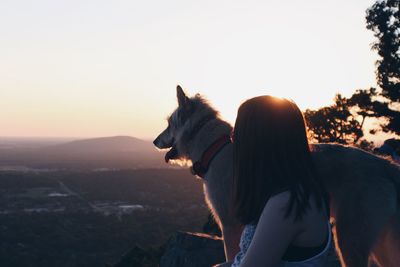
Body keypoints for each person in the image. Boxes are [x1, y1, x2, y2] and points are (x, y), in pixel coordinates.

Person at [216, 95, 332, 267]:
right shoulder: (293, 194)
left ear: (258, 141)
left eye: (239, 130)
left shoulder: (286, 204)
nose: (233, 137)